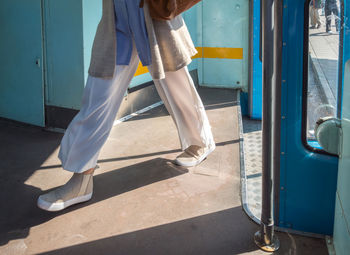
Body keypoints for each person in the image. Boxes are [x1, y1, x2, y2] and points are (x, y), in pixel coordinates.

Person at [37, 0, 216, 212]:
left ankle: (200, 141)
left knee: (177, 83)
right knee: (99, 95)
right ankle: (81, 179)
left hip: (154, 12)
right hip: (117, 18)